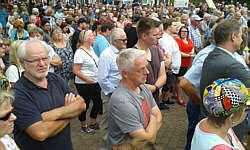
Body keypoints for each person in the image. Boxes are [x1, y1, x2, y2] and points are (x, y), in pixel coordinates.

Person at [12, 39, 86, 150]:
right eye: (35, 60)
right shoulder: (18, 93)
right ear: (23, 63)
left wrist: (53, 114)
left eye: (45, 58)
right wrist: (69, 112)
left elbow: (81, 105)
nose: (42, 64)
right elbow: (40, 133)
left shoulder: (55, 79)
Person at [200, 19, 250, 142]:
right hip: (225, 129)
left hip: (212, 123)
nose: (242, 39)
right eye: (240, 36)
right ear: (233, 37)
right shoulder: (231, 65)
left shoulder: (213, 55)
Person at [108, 48, 162, 150]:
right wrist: (153, 118)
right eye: (141, 69)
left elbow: (159, 116)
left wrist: (150, 133)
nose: (147, 72)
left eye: (146, 67)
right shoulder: (121, 101)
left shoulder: (143, 87)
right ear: (125, 74)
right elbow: (147, 140)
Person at [191, 78, 248, 150]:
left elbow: (235, 142)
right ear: (232, 118)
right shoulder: (219, 147)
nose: (247, 113)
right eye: (246, 109)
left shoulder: (206, 123)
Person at [98, 28, 126, 149]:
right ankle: (105, 147)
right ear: (115, 41)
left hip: (122, 93)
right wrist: (115, 92)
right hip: (110, 94)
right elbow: (102, 79)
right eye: (123, 40)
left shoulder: (123, 52)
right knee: (107, 123)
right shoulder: (106, 55)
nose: (126, 42)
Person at [73, 30, 102, 134]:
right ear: (84, 39)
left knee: (98, 102)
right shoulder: (79, 52)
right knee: (84, 105)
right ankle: (84, 126)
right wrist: (88, 80)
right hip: (84, 84)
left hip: (95, 81)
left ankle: (93, 123)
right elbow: (75, 71)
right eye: (91, 35)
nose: (94, 36)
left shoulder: (91, 48)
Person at [134, 17, 166, 106]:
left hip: (154, 101)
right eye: (155, 35)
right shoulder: (133, 55)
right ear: (144, 36)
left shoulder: (156, 50)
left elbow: (163, 75)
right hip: (140, 102)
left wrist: (154, 88)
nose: (159, 37)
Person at [158, 18, 182, 106]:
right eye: (174, 25)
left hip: (173, 67)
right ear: (168, 27)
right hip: (169, 67)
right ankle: (160, 101)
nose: (177, 27)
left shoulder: (170, 38)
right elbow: (167, 54)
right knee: (165, 85)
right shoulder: (165, 39)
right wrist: (169, 67)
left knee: (169, 85)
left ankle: (165, 99)